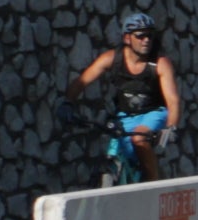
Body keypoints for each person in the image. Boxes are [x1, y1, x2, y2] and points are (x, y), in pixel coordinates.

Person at [67, 10, 183, 182]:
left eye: (150, 36)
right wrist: (67, 103)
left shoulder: (159, 63)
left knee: (138, 137)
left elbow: (173, 101)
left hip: (153, 113)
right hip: (125, 115)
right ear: (127, 38)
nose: (146, 40)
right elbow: (82, 81)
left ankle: (153, 182)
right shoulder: (111, 59)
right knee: (115, 141)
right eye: (141, 36)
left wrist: (170, 128)